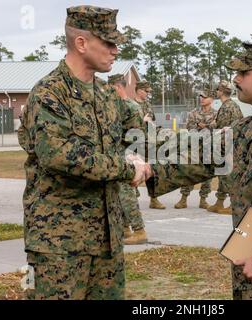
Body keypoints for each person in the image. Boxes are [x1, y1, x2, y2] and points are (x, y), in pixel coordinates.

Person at [143, 43, 252, 300]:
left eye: (243, 73)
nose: (235, 79)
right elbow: (203, 160)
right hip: (245, 255)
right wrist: (150, 172)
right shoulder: (243, 129)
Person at [18, 5, 149, 300]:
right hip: (59, 244)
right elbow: (61, 154)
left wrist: (139, 156)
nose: (116, 50)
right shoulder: (49, 93)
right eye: (108, 43)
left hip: (107, 239)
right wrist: (128, 169)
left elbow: (131, 137)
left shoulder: (105, 95)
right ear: (81, 43)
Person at [107, 73, 148, 245]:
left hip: (127, 153)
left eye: (110, 89)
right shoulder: (127, 105)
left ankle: (139, 231)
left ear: (117, 87)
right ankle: (125, 229)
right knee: (119, 193)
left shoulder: (126, 106)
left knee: (126, 193)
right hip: (125, 153)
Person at [174, 89, 217, 210]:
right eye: (200, 97)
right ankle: (183, 199)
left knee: (207, 175)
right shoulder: (193, 112)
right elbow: (189, 126)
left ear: (211, 99)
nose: (201, 99)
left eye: (204, 97)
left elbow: (218, 127)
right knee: (189, 172)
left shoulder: (216, 113)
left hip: (209, 148)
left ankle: (203, 200)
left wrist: (206, 126)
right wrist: (200, 126)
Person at [207, 80, 244, 215]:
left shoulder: (226, 107)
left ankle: (234, 204)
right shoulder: (233, 106)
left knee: (228, 175)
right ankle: (220, 202)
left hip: (227, 145)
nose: (216, 92)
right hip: (232, 144)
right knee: (223, 174)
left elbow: (221, 128)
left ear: (221, 92)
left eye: (217, 90)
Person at [134, 80, 166, 210]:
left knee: (152, 171)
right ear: (139, 90)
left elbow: (152, 122)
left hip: (149, 143)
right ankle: (132, 201)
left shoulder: (148, 105)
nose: (148, 94)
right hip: (135, 143)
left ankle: (154, 198)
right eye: (146, 91)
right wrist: (142, 121)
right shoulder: (130, 105)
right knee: (134, 170)